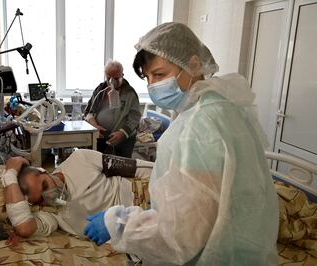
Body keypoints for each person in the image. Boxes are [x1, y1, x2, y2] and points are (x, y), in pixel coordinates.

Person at [84, 22, 279, 265]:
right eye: (148, 77)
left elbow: (182, 234)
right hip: (238, 244)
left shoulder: (200, 125)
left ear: (194, 64)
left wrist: (119, 223)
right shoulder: (221, 107)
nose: (152, 86)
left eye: (160, 74)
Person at [1, 149, 153, 238]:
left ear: (45, 171)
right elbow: (24, 227)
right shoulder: (52, 213)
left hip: (146, 192)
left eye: (45, 184)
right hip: (137, 227)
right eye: (41, 199)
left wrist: (169, 175)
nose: (49, 195)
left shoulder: (80, 160)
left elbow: (134, 167)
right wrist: (10, 175)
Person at [84, 60, 141, 158]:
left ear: (122, 75)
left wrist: (123, 133)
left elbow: (135, 117)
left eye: (116, 78)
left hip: (123, 138)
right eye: (108, 78)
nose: (112, 82)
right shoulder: (100, 90)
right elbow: (89, 112)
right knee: (98, 163)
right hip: (100, 136)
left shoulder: (129, 93)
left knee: (121, 166)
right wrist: (94, 125)